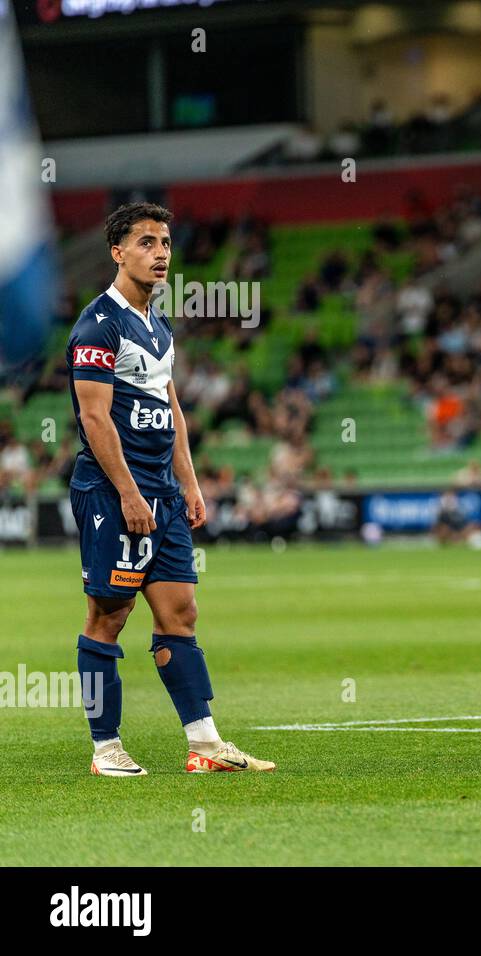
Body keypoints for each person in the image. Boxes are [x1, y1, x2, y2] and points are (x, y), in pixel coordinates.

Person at [66, 202, 275, 777]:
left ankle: (204, 745)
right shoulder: (97, 325)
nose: (160, 253)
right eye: (146, 243)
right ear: (118, 252)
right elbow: (95, 419)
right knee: (110, 613)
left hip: (162, 490)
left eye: (165, 243)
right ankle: (105, 748)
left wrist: (189, 482)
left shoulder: (158, 325)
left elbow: (171, 406)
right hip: (114, 492)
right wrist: (130, 493)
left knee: (180, 611)